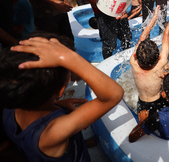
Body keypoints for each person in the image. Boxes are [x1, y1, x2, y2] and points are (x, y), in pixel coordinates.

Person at [0, 33, 124, 161]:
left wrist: (58, 105)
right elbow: (113, 94)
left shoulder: (11, 106)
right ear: (60, 91)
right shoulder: (51, 134)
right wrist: (68, 58)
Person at [130, 0, 169, 116]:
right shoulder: (160, 64)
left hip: (142, 103)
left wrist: (153, 18)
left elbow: (141, 39)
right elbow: (167, 35)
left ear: (136, 55)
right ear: (158, 57)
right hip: (158, 103)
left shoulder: (133, 62)